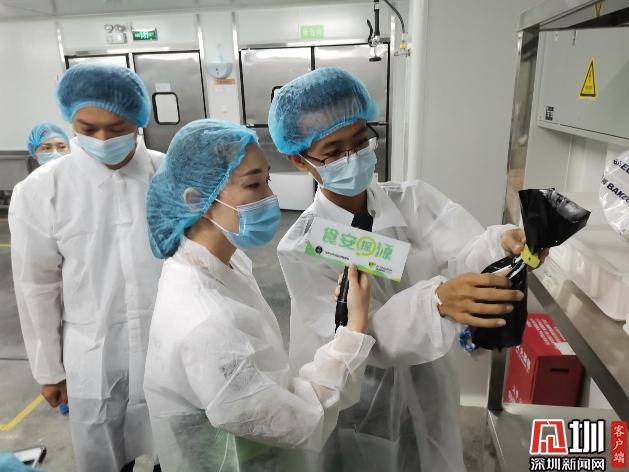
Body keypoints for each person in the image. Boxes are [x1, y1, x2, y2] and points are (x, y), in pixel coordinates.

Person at [270, 67, 546, 471]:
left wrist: (500, 244)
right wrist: (435, 303)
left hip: (428, 379)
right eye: (333, 151)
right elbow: (354, 336)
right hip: (359, 398)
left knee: (430, 455)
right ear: (300, 160)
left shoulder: (413, 200)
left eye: (360, 140)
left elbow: (465, 253)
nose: (353, 156)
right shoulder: (303, 246)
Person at [143, 119, 376, 472]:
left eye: (267, 179)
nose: (270, 197)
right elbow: (296, 420)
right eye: (253, 184)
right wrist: (354, 330)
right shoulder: (205, 321)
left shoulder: (215, 260)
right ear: (196, 199)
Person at [9, 63, 164, 472]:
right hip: (95, 355)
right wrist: (49, 370)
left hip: (167, 345)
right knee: (106, 457)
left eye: (117, 128)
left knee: (176, 450)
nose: (102, 139)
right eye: (87, 128)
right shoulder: (42, 190)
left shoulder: (165, 173)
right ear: (70, 121)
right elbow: (36, 285)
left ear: (139, 120)